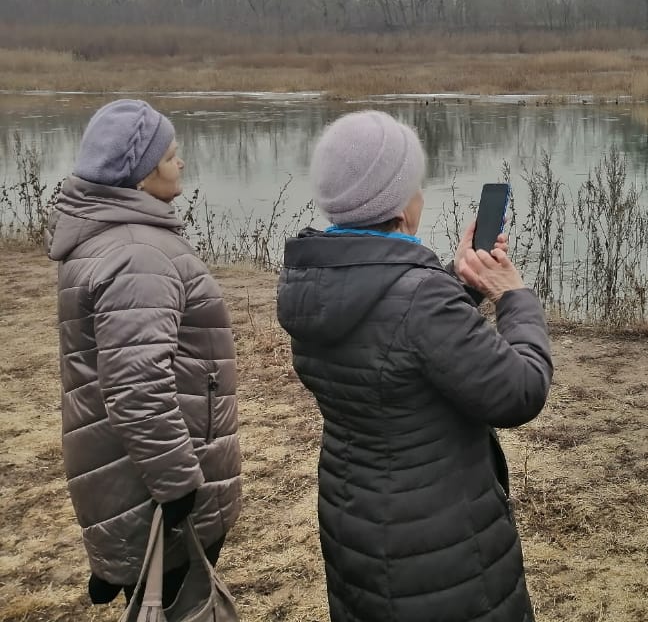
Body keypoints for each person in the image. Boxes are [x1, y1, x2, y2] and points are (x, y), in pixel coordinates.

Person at [276, 110, 553, 622]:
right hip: (438, 543)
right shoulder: (420, 301)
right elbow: (521, 390)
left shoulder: (313, 282)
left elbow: (391, 333)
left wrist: (461, 281)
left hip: (353, 519)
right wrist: (513, 298)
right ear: (402, 205)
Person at [47, 98, 242, 607]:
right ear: (139, 173)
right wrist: (179, 487)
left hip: (124, 485)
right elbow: (136, 388)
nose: (181, 163)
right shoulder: (138, 253)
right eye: (172, 154)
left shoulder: (105, 240)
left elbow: (103, 370)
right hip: (159, 494)